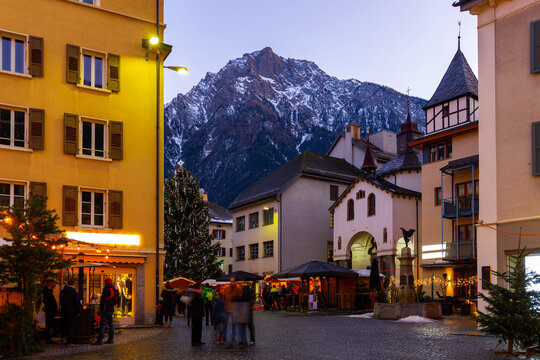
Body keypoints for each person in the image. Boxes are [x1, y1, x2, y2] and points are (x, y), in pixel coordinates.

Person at [93, 278, 117, 345]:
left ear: (106, 283)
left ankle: (100, 340)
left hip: (105, 309)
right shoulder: (114, 289)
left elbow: (103, 300)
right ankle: (111, 339)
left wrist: (101, 309)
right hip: (111, 309)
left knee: (102, 324)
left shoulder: (106, 290)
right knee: (111, 324)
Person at [59, 278, 82, 347]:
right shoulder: (74, 293)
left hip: (64, 311)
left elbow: (61, 301)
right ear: (74, 283)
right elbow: (77, 303)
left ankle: (64, 339)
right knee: (71, 327)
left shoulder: (62, 292)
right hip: (72, 312)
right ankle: (69, 341)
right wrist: (79, 310)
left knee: (65, 326)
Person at [223, 278, 242, 346]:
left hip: (234, 308)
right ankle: (224, 336)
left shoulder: (238, 289)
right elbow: (224, 297)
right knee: (225, 323)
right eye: (231, 281)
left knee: (234, 323)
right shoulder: (226, 288)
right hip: (227, 307)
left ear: (235, 282)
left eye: (233, 281)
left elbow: (240, 297)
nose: (231, 283)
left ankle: (233, 336)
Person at [43, 279, 58, 344]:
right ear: (51, 284)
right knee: (49, 325)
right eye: (54, 283)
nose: (55, 285)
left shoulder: (49, 292)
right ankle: (48, 339)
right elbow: (48, 302)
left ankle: (49, 338)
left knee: (49, 325)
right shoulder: (47, 292)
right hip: (50, 312)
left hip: (51, 311)